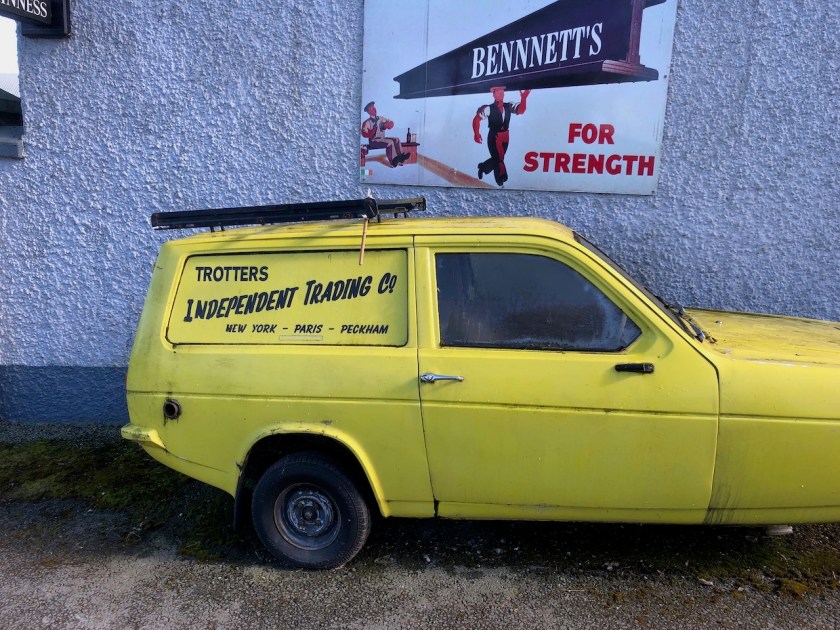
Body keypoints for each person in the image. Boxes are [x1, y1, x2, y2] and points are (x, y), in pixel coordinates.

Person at [473, 87, 530, 187]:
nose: (501, 93)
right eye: (498, 92)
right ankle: (501, 180)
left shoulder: (508, 106)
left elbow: (521, 110)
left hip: (505, 135)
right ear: (493, 94)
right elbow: (476, 120)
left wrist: (524, 98)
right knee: (499, 158)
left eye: (502, 92)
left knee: (498, 158)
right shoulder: (488, 108)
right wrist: (476, 134)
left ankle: (483, 167)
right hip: (494, 135)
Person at [361, 102, 410, 168]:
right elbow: (364, 134)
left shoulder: (381, 118)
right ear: (368, 112)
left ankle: (401, 158)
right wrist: (372, 131)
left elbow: (391, 123)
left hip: (382, 139)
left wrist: (388, 125)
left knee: (396, 139)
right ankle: (393, 161)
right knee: (390, 142)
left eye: (374, 107)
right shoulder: (367, 122)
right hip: (374, 141)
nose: (374, 109)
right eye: (372, 108)